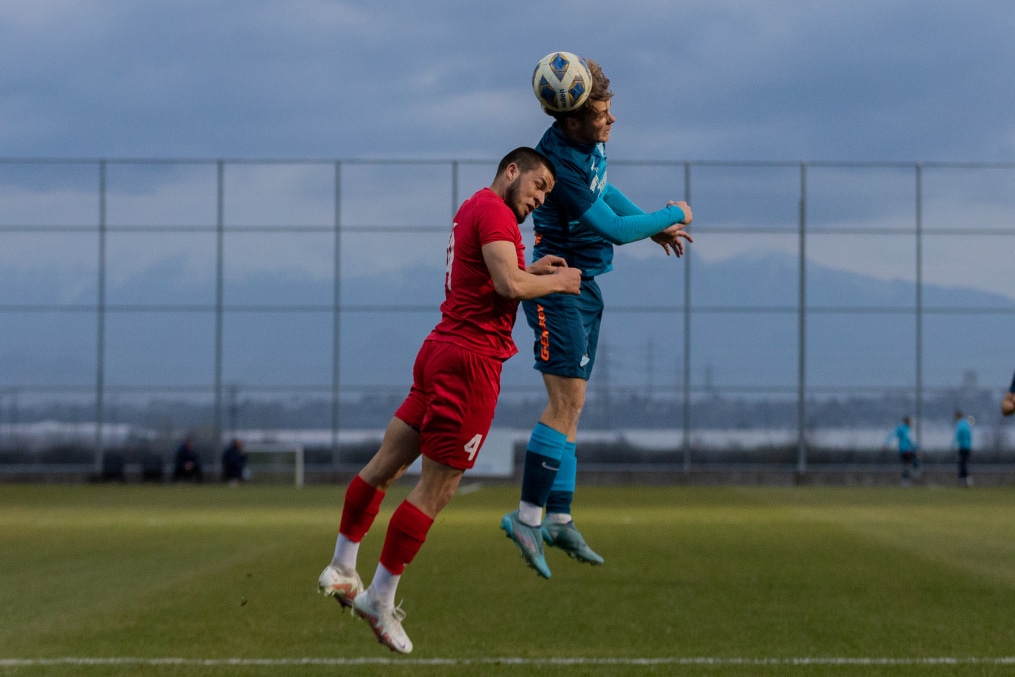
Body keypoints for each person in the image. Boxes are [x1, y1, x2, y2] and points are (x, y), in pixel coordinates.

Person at [316, 147, 582, 654]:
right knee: (437, 488)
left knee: (386, 466)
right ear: (512, 171)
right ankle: (379, 597)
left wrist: (536, 266)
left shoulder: (475, 207)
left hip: (439, 351)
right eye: (539, 185)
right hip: (470, 364)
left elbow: (496, 279)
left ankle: (342, 564)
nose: (541, 198)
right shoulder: (498, 212)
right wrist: (558, 281)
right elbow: (509, 282)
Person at [500, 54, 693, 579]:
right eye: (602, 114)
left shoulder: (589, 145)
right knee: (565, 402)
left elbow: (604, 191)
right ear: (570, 119)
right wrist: (673, 213)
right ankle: (526, 517)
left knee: (574, 406)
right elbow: (611, 228)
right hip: (555, 285)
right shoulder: (556, 163)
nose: (611, 121)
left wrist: (647, 223)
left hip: (583, 286)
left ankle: (559, 517)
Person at [884, 416, 919, 486]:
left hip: (902, 450)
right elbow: (909, 439)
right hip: (907, 450)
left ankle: (905, 480)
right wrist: (916, 448)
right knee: (915, 460)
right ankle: (915, 471)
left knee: (906, 465)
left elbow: (892, 435)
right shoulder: (905, 429)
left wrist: (886, 443)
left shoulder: (900, 428)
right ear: (908, 422)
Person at [952, 411, 973, 487]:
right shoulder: (966, 425)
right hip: (968, 447)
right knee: (965, 463)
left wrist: (953, 446)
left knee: (961, 463)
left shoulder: (960, 425)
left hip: (962, 447)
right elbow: (969, 436)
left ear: (957, 417)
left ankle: (963, 480)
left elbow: (958, 436)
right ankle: (968, 480)